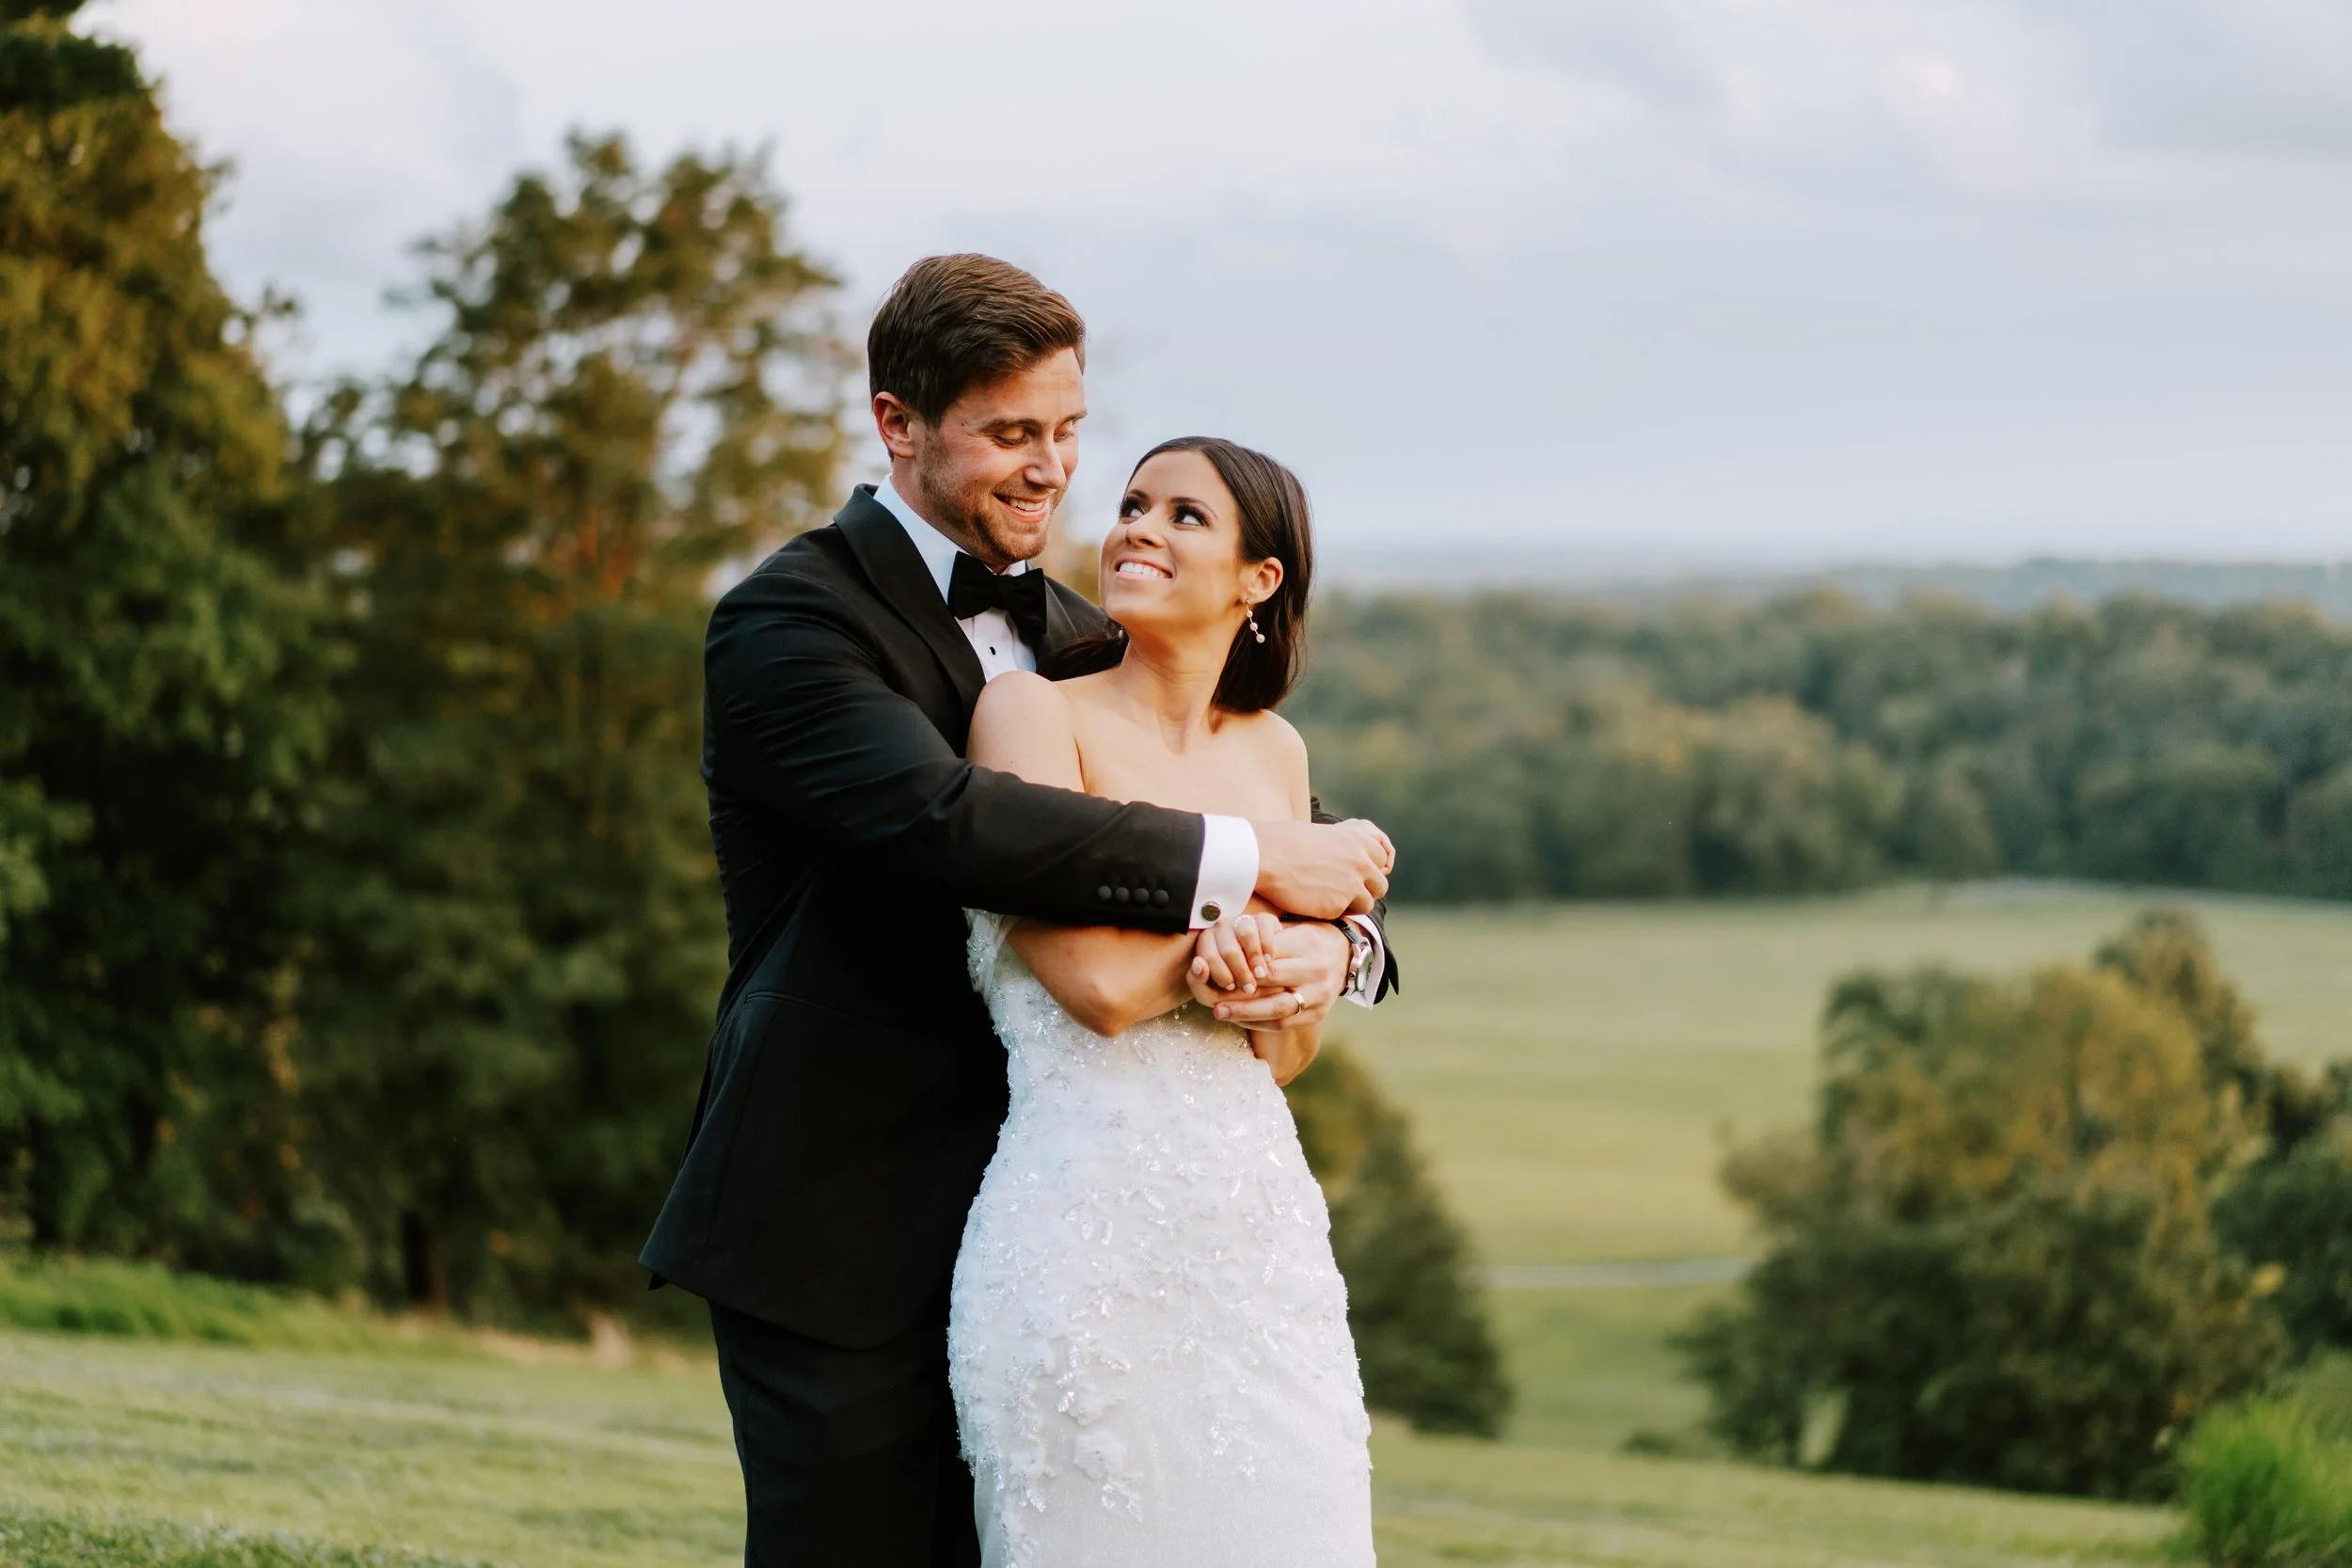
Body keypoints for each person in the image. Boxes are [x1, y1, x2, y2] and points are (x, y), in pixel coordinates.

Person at [638, 254, 1398, 1568]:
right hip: (842, 1208)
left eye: (1065, 431)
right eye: (1009, 433)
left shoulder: (1083, 632)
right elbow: (955, 824)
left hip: (1051, 1200)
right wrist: (1259, 855)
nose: (1053, 470)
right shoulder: (788, 620)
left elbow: (1289, 850)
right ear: (899, 425)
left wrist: (1343, 942)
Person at [950, 436, 1377, 1566]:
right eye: (1135, 502)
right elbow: (1091, 984)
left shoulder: (1276, 752)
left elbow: (1282, 1053)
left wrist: (1320, 961)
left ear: (1259, 580)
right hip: (1084, 1249)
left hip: (1259, 1245)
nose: (1139, 525)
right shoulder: (1032, 715)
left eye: (1186, 515)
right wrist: (1249, 908)